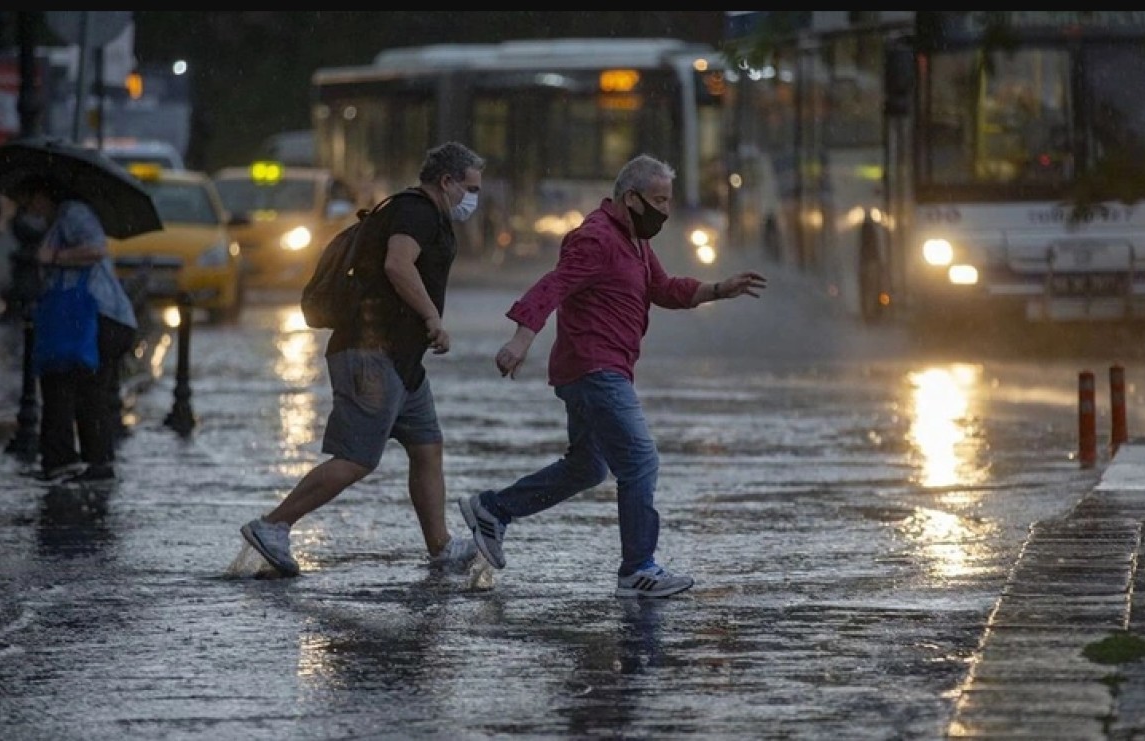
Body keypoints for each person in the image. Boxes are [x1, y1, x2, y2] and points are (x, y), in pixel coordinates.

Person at [458, 154, 767, 598]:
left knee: (587, 467)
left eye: (668, 200)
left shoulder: (635, 241)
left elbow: (663, 288)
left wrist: (718, 289)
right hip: (594, 368)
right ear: (631, 198)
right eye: (659, 200)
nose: (665, 210)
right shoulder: (596, 238)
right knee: (640, 460)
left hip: (601, 368)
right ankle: (637, 569)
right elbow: (553, 286)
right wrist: (520, 341)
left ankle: (493, 509)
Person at [240, 141, 486, 577]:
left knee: (427, 446)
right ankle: (273, 525)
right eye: (470, 188)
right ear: (447, 181)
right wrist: (432, 317)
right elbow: (398, 265)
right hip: (371, 352)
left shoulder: (422, 213)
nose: (473, 198)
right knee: (356, 458)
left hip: (403, 361)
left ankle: (441, 547)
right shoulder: (416, 212)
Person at [8, 175, 139, 483]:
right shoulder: (58, 220)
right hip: (86, 317)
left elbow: (96, 250)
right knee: (66, 386)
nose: (29, 208)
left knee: (88, 391)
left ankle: (96, 463)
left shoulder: (73, 213)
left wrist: (55, 256)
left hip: (102, 315)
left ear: (44, 194)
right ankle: (67, 461)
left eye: (30, 199)